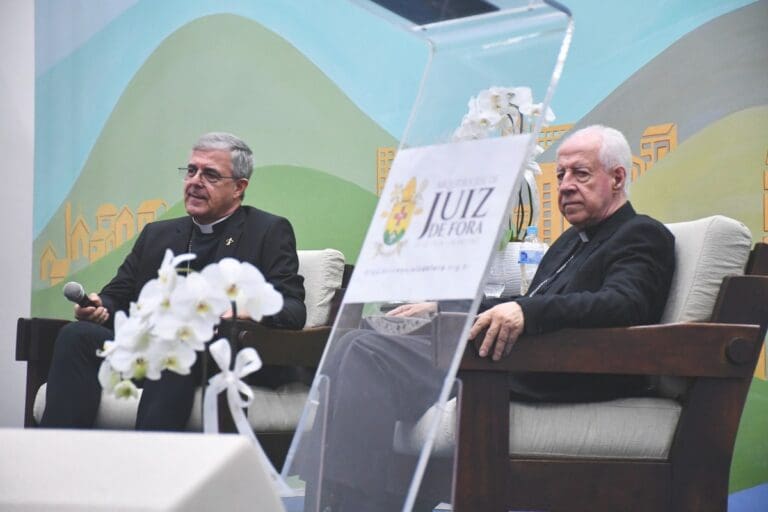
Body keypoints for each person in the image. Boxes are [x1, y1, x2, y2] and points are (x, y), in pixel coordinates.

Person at [306, 125, 675, 510]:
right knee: (355, 340)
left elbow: (623, 304)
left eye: (580, 174)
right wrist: (445, 307)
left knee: (368, 353)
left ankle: (353, 503)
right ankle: (336, 497)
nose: (565, 185)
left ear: (617, 177)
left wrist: (527, 312)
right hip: (513, 359)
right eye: (561, 174)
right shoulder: (571, 240)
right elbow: (525, 301)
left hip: (556, 370)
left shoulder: (640, 233)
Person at [41, 132, 306, 430]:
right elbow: (118, 296)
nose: (195, 181)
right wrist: (99, 305)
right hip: (152, 349)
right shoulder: (158, 235)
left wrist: (245, 311)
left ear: (239, 187)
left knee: (176, 345)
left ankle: (150, 456)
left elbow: (293, 309)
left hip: (217, 356)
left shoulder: (267, 231)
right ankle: (61, 450)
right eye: (191, 171)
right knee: (76, 336)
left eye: (210, 175)